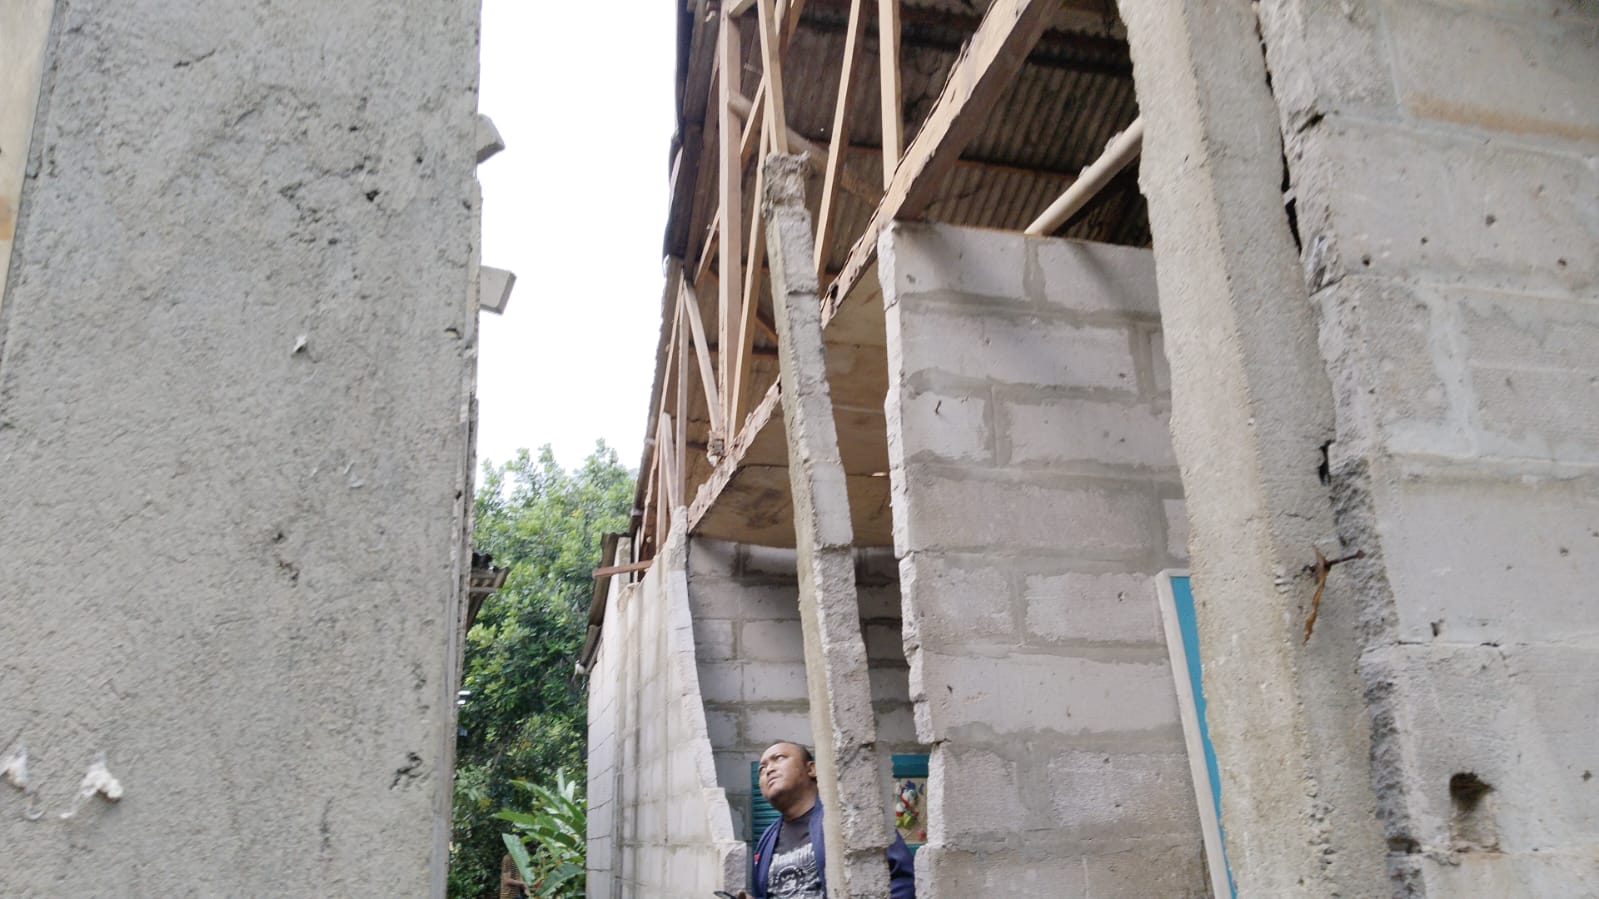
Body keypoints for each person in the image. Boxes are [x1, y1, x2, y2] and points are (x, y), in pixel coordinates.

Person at [738, 741, 916, 899]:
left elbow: (902, 879)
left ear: (811, 769)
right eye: (761, 769)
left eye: (778, 758)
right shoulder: (766, 840)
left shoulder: (851, 817)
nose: (769, 769)